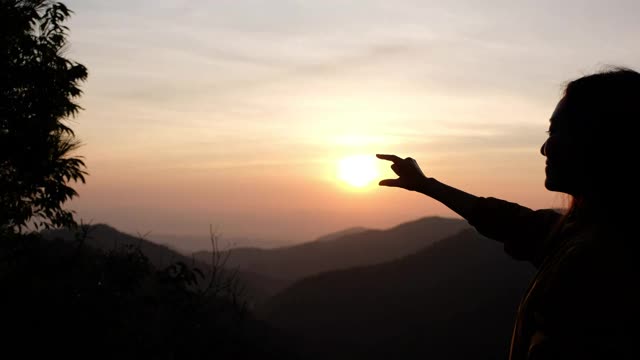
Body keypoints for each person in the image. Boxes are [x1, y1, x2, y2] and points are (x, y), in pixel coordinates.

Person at [377, 67, 640, 360]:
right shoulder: (586, 233)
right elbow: (515, 222)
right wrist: (427, 186)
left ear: (606, 139)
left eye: (557, 131)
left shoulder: (596, 262)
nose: (544, 148)